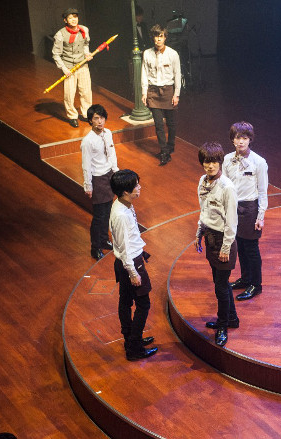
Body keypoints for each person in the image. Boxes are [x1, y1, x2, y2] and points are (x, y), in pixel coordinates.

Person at [109, 169, 158, 361]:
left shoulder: (123, 204)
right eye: (136, 185)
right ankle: (134, 347)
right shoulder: (121, 214)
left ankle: (130, 339)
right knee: (143, 304)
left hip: (127, 262)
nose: (140, 187)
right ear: (125, 192)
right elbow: (124, 247)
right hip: (130, 264)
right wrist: (132, 272)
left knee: (126, 302)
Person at [194, 142, 239, 346]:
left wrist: (226, 247)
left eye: (214, 162)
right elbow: (203, 210)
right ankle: (232, 318)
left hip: (223, 240)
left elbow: (232, 221)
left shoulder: (227, 187)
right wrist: (199, 233)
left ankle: (222, 326)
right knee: (220, 283)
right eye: (206, 162)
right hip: (210, 237)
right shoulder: (202, 181)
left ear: (220, 162)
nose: (210, 166)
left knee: (221, 287)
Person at [223, 122, 268, 301]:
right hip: (233, 207)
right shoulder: (227, 159)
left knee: (251, 248)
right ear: (232, 140)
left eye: (244, 138)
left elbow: (263, 191)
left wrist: (260, 216)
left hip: (250, 209)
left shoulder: (259, 162)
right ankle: (245, 278)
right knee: (240, 246)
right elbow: (224, 187)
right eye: (237, 138)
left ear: (250, 139)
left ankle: (256, 285)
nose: (241, 141)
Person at [81, 104, 118, 261]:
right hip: (97, 178)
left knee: (107, 212)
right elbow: (86, 165)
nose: (100, 121)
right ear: (90, 120)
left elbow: (112, 153)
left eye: (102, 118)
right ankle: (95, 248)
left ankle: (104, 240)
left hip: (109, 175)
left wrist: (116, 172)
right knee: (99, 216)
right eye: (96, 118)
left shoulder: (108, 133)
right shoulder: (87, 141)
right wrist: (88, 185)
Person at [141, 24, 181, 166]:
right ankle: (164, 152)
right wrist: (144, 92)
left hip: (168, 90)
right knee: (158, 124)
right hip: (153, 91)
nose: (158, 39)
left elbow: (177, 75)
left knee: (171, 123)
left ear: (165, 37)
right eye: (156, 36)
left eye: (161, 36)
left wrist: (176, 94)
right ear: (152, 38)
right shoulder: (147, 53)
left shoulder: (173, 54)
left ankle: (170, 145)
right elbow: (144, 73)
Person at [52, 8, 93, 128]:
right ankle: (72, 116)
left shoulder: (84, 30)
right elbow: (56, 54)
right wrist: (64, 68)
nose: (74, 19)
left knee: (86, 91)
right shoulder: (60, 35)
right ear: (65, 20)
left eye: (75, 17)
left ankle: (86, 113)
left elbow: (85, 44)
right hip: (69, 67)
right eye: (70, 18)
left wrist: (87, 54)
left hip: (82, 64)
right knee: (69, 94)